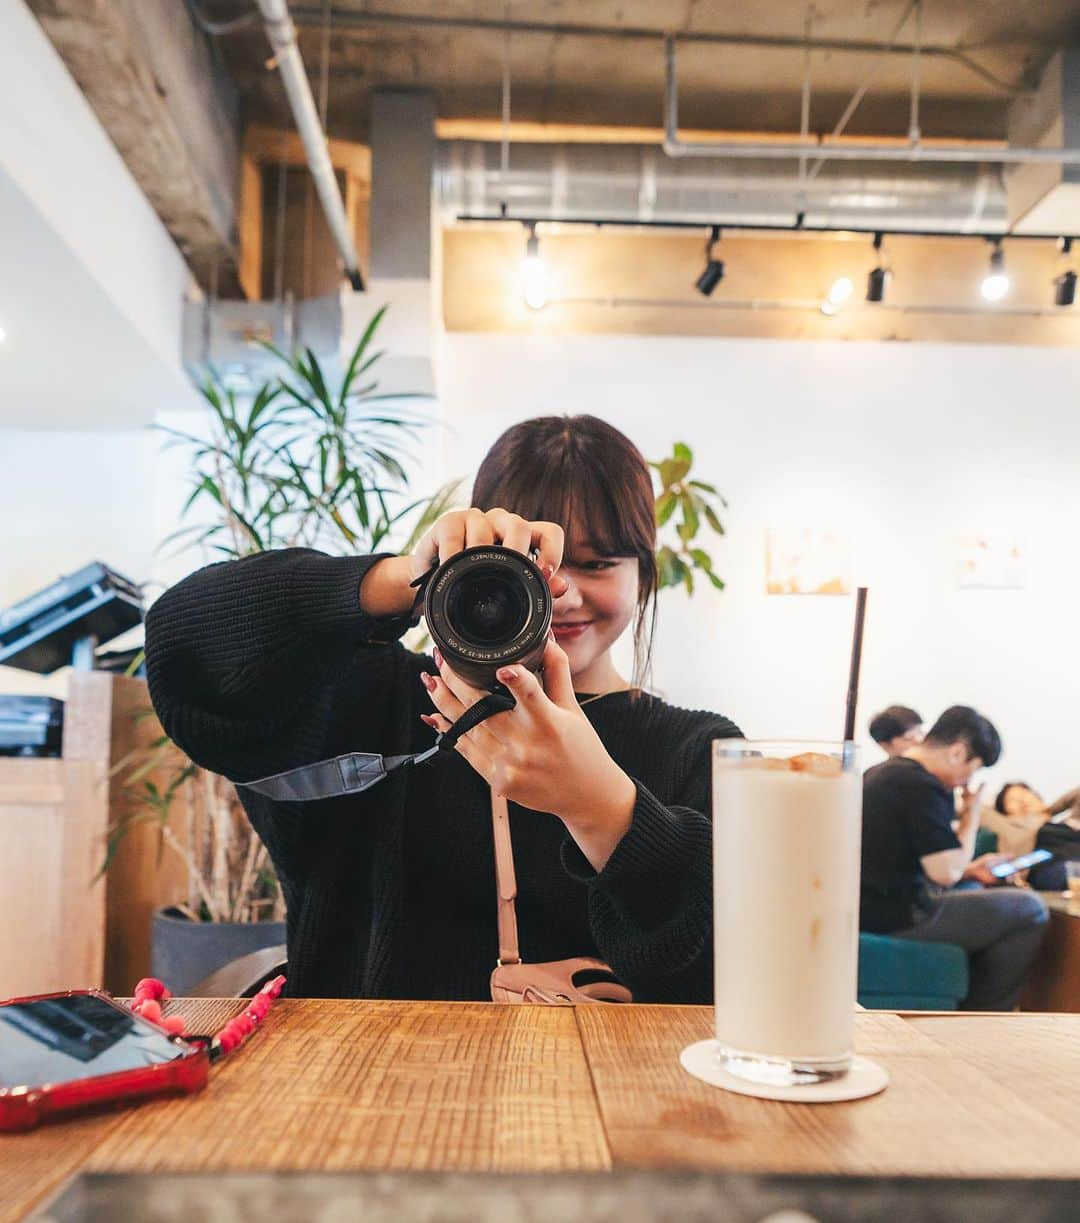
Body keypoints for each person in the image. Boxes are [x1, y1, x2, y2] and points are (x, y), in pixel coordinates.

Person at [145, 415, 742, 1002]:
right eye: (533, 568)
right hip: (364, 1092)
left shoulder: (699, 753)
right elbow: (184, 649)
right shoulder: (374, 706)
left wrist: (602, 807)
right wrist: (401, 579)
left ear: (644, 571)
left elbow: (739, 976)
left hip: (612, 1097)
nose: (564, 593)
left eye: (599, 563)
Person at [860, 706, 1048, 1011]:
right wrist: (972, 814)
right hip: (894, 915)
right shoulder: (921, 785)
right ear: (958, 752)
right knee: (1030, 909)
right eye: (974, 768)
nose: (966, 780)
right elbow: (946, 873)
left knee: (977, 889)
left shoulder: (884, 773)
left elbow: (920, 861)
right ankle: (982, 1016)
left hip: (871, 905)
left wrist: (971, 871)